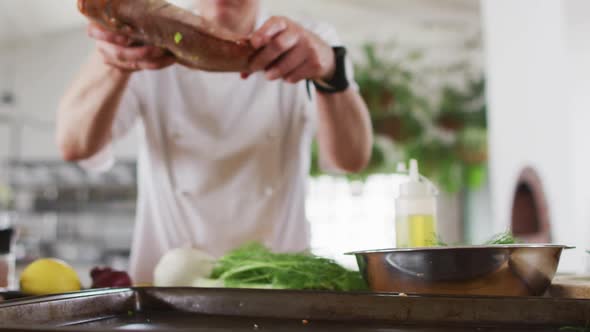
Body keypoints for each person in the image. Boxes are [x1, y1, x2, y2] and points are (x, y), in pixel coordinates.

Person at [57, 0, 373, 284]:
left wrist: (331, 72)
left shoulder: (305, 40)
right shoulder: (146, 34)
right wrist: (118, 62)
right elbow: (74, 144)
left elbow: (351, 158)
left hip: (276, 282)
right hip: (167, 284)